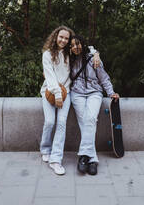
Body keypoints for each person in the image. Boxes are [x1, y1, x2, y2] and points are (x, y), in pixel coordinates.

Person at [40, 26, 100, 175]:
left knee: (61, 123)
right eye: (61, 37)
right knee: (49, 122)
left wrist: (96, 53)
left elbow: (87, 47)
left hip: (66, 92)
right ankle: (45, 148)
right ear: (55, 37)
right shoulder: (47, 54)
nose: (63, 40)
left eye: (66, 38)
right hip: (50, 91)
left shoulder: (69, 53)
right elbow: (50, 76)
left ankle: (55, 160)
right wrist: (57, 95)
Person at [70, 35, 119, 175]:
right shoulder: (69, 59)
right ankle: (92, 159)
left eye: (77, 44)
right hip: (77, 93)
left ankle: (83, 157)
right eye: (72, 45)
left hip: (94, 93)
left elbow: (104, 78)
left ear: (83, 44)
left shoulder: (93, 58)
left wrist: (111, 92)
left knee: (90, 118)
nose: (75, 47)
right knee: (84, 121)